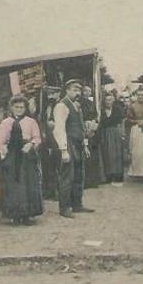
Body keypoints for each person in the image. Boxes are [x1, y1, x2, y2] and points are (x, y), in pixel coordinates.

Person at [0, 95, 43, 225]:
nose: (19, 109)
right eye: (16, 107)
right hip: (12, 155)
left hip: (26, 154)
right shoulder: (6, 122)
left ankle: (27, 215)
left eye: (21, 107)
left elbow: (37, 138)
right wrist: (4, 151)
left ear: (25, 108)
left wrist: (31, 144)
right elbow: (1, 141)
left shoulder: (31, 121)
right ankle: (14, 215)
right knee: (14, 185)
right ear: (11, 108)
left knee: (28, 183)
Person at [53, 79, 95, 218]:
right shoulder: (61, 106)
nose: (77, 93)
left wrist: (85, 145)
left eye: (79, 91)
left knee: (79, 174)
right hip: (68, 143)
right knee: (67, 175)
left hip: (78, 144)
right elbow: (59, 129)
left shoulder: (77, 107)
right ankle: (64, 207)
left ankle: (77, 204)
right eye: (74, 90)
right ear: (67, 90)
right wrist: (64, 150)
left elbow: (81, 127)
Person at [98, 92, 126, 186]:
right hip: (105, 133)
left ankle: (117, 175)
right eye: (106, 100)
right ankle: (108, 176)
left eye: (110, 100)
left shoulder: (118, 109)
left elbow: (122, 122)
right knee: (106, 154)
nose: (108, 102)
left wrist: (122, 134)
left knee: (116, 154)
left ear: (113, 100)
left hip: (115, 133)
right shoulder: (101, 110)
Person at [126, 87, 143, 177]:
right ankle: (137, 172)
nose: (140, 97)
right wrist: (136, 121)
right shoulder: (132, 106)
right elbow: (129, 119)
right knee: (137, 151)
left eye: (142, 95)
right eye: (139, 95)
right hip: (136, 129)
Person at [80, 85, 103, 187]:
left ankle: (94, 180)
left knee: (93, 155)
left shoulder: (91, 103)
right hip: (83, 128)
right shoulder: (78, 103)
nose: (87, 93)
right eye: (85, 91)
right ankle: (86, 181)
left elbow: (95, 115)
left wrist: (93, 123)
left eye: (89, 91)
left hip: (92, 130)